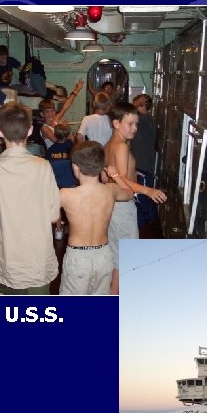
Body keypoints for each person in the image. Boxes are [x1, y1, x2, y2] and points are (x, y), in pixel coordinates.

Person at [0, 101, 60, 295]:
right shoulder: (43, 166)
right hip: (38, 259)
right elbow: (54, 214)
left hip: (8, 261)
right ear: (30, 130)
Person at [104, 102, 168, 295]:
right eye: (130, 124)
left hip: (115, 206)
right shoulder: (121, 146)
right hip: (122, 208)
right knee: (124, 259)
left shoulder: (111, 143)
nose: (135, 128)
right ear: (116, 123)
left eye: (136, 124)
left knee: (117, 257)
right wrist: (147, 191)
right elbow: (121, 179)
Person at [59, 141, 132, 295]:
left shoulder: (66, 194)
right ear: (101, 168)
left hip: (78, 258)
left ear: (75, 167)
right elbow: (129, 193)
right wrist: (115, 175)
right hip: (104, 256)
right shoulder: (110, 190)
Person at [130, 94, 158, 228]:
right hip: (141, 163)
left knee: (143, 198)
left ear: (142, 105)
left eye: (136, 104)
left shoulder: (144, 120)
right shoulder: (142, 120)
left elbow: (129, 112)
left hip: (144, 164)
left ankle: (146, 226)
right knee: (142, 196)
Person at [45, 122, 76, 240]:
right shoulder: (73, 148)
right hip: (71, 183)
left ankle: (58, 231)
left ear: (55, 135)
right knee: (72, 208)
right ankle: (73, 229)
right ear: (68, 134)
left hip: (56, 184)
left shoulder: (51, 150)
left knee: (57, 207)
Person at [38, 78, 84, 148]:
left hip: (66, 152)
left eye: (52, 110)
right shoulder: (44, 128)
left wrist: (77, 90)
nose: (50, 114)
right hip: (55, 156)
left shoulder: (56, 119)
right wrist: (64, 128)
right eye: (47, 112)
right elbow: (57, 141)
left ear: (55, 111)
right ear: (42, 114)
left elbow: (66, 106)